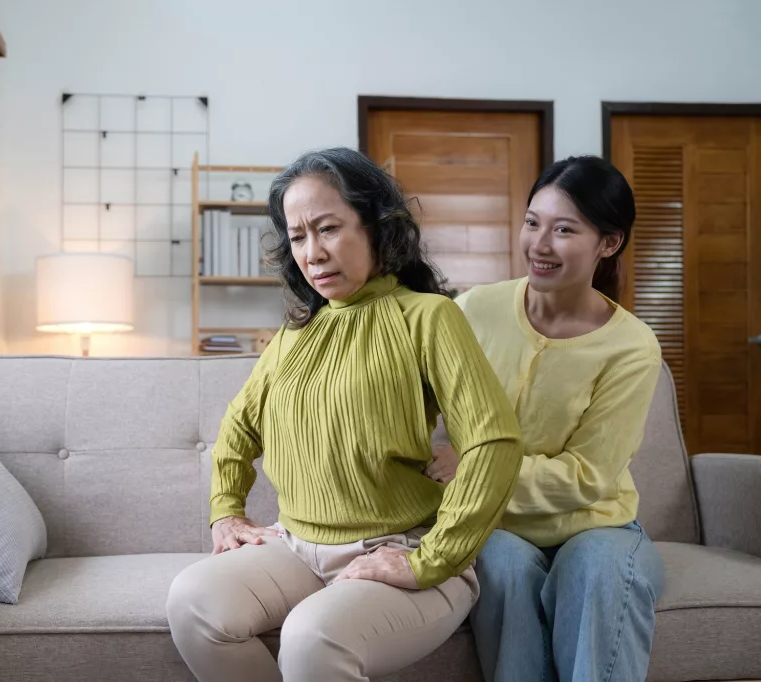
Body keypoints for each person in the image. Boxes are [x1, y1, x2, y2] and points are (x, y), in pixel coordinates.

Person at [166, 147, 525, 682]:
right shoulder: (294, 336)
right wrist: (226, 511)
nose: (312, 252)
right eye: (297, 236)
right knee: (192, 601)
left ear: (377, 225)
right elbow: (239, 427)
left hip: (404, 545)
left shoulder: (429, 317)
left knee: (312, 639)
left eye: (328, 228)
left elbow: (493, 445)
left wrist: (431, 559)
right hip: (296, 547)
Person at [424, 156, 666, 682]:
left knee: (597, 569)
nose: (539, 243)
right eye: (533, 222)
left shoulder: (632, 347)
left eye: (563, 230)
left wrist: (474, 468)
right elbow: (416, 403)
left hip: (597, 524)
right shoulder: (472, 310)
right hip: (494, 523)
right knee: (501, 563)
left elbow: (589, 475)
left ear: (609, 243)